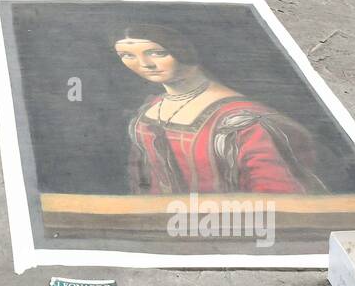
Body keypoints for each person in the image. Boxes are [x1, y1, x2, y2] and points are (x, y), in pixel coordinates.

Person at [114, 25, 326, 194]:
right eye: (126, 55)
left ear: (185, 49)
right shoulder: (148, 111)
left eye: (157, 52)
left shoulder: (241, 122)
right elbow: (141, 182)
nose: (144, 64)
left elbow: (276, 196)